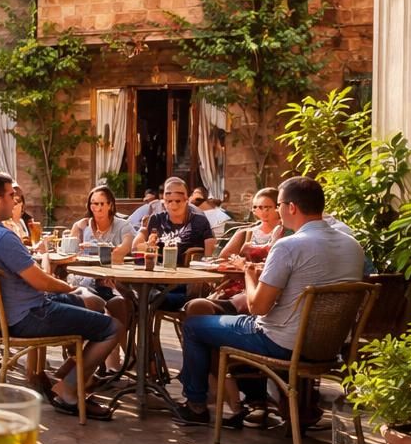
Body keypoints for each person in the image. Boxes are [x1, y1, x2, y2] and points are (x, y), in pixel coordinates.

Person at [175, 176, 366, 428]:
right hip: (328, 347)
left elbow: (259, 307)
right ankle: (256, 402)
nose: (276, 210)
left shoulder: (289, 246)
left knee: (195, 324)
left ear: (292, 208)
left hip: (282, 342)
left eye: (278, 204)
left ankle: (196, 405)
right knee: (217, 317)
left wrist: (249, 275)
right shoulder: (353, 246)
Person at [0, 171, 124, 417]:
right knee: (113, 327)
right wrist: (72, 288)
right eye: (11, 195)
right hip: (27, 316)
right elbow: (39, 281)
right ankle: (68, 390)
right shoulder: (2, 236)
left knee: (95, 303)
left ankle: (64, 376)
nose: (15, 200)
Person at [67, 185, 136, 371]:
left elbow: (123, 251)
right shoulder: (80, 226)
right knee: (99, 301)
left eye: (101, 204)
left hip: (115, 280)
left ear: (110, 205)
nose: (97, 209)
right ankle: (120, 356)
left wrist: (96, 249)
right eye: (93, 204)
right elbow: (70, 256)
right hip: (86, 279)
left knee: (119, 302)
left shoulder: (122, 225)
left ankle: (125, 354)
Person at [188, 187, 285, 318]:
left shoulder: (285, 233)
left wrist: (246, 266)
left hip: (266, 287)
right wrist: (237, 263)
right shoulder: (246, 233)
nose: (262, 212)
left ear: (277, 208)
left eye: (267, 207)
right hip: (239, 282)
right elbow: (224, 258)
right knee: (202, 306)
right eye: (257, 208)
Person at [144, 177, 217, 311]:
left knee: (148, 300)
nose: (173, 205)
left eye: (178, 200)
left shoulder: (199, 221)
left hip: (186, 283)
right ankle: (150, 301)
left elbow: (210, 254)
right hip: (158, 279)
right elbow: (147, 249)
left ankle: (154, 300)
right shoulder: (156, 219)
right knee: (137, 293)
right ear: (163, 201)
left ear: (186, 199)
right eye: (169, 201)